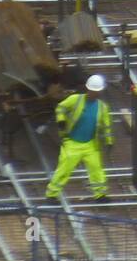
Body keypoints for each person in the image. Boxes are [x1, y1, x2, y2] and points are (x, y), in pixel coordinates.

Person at [46, 74, 114, 202]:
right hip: (72, 142)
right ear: (88, 89)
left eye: (98, 92)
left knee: (96, 170)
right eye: (94, 91)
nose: (96, 94)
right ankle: (52, 194)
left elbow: (106, 126)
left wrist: (109, 141)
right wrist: (61, 121)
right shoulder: (75, 100)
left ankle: (100, 194)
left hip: (90, 145)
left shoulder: (102, 107)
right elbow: (60, 107)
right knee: (64, 169)